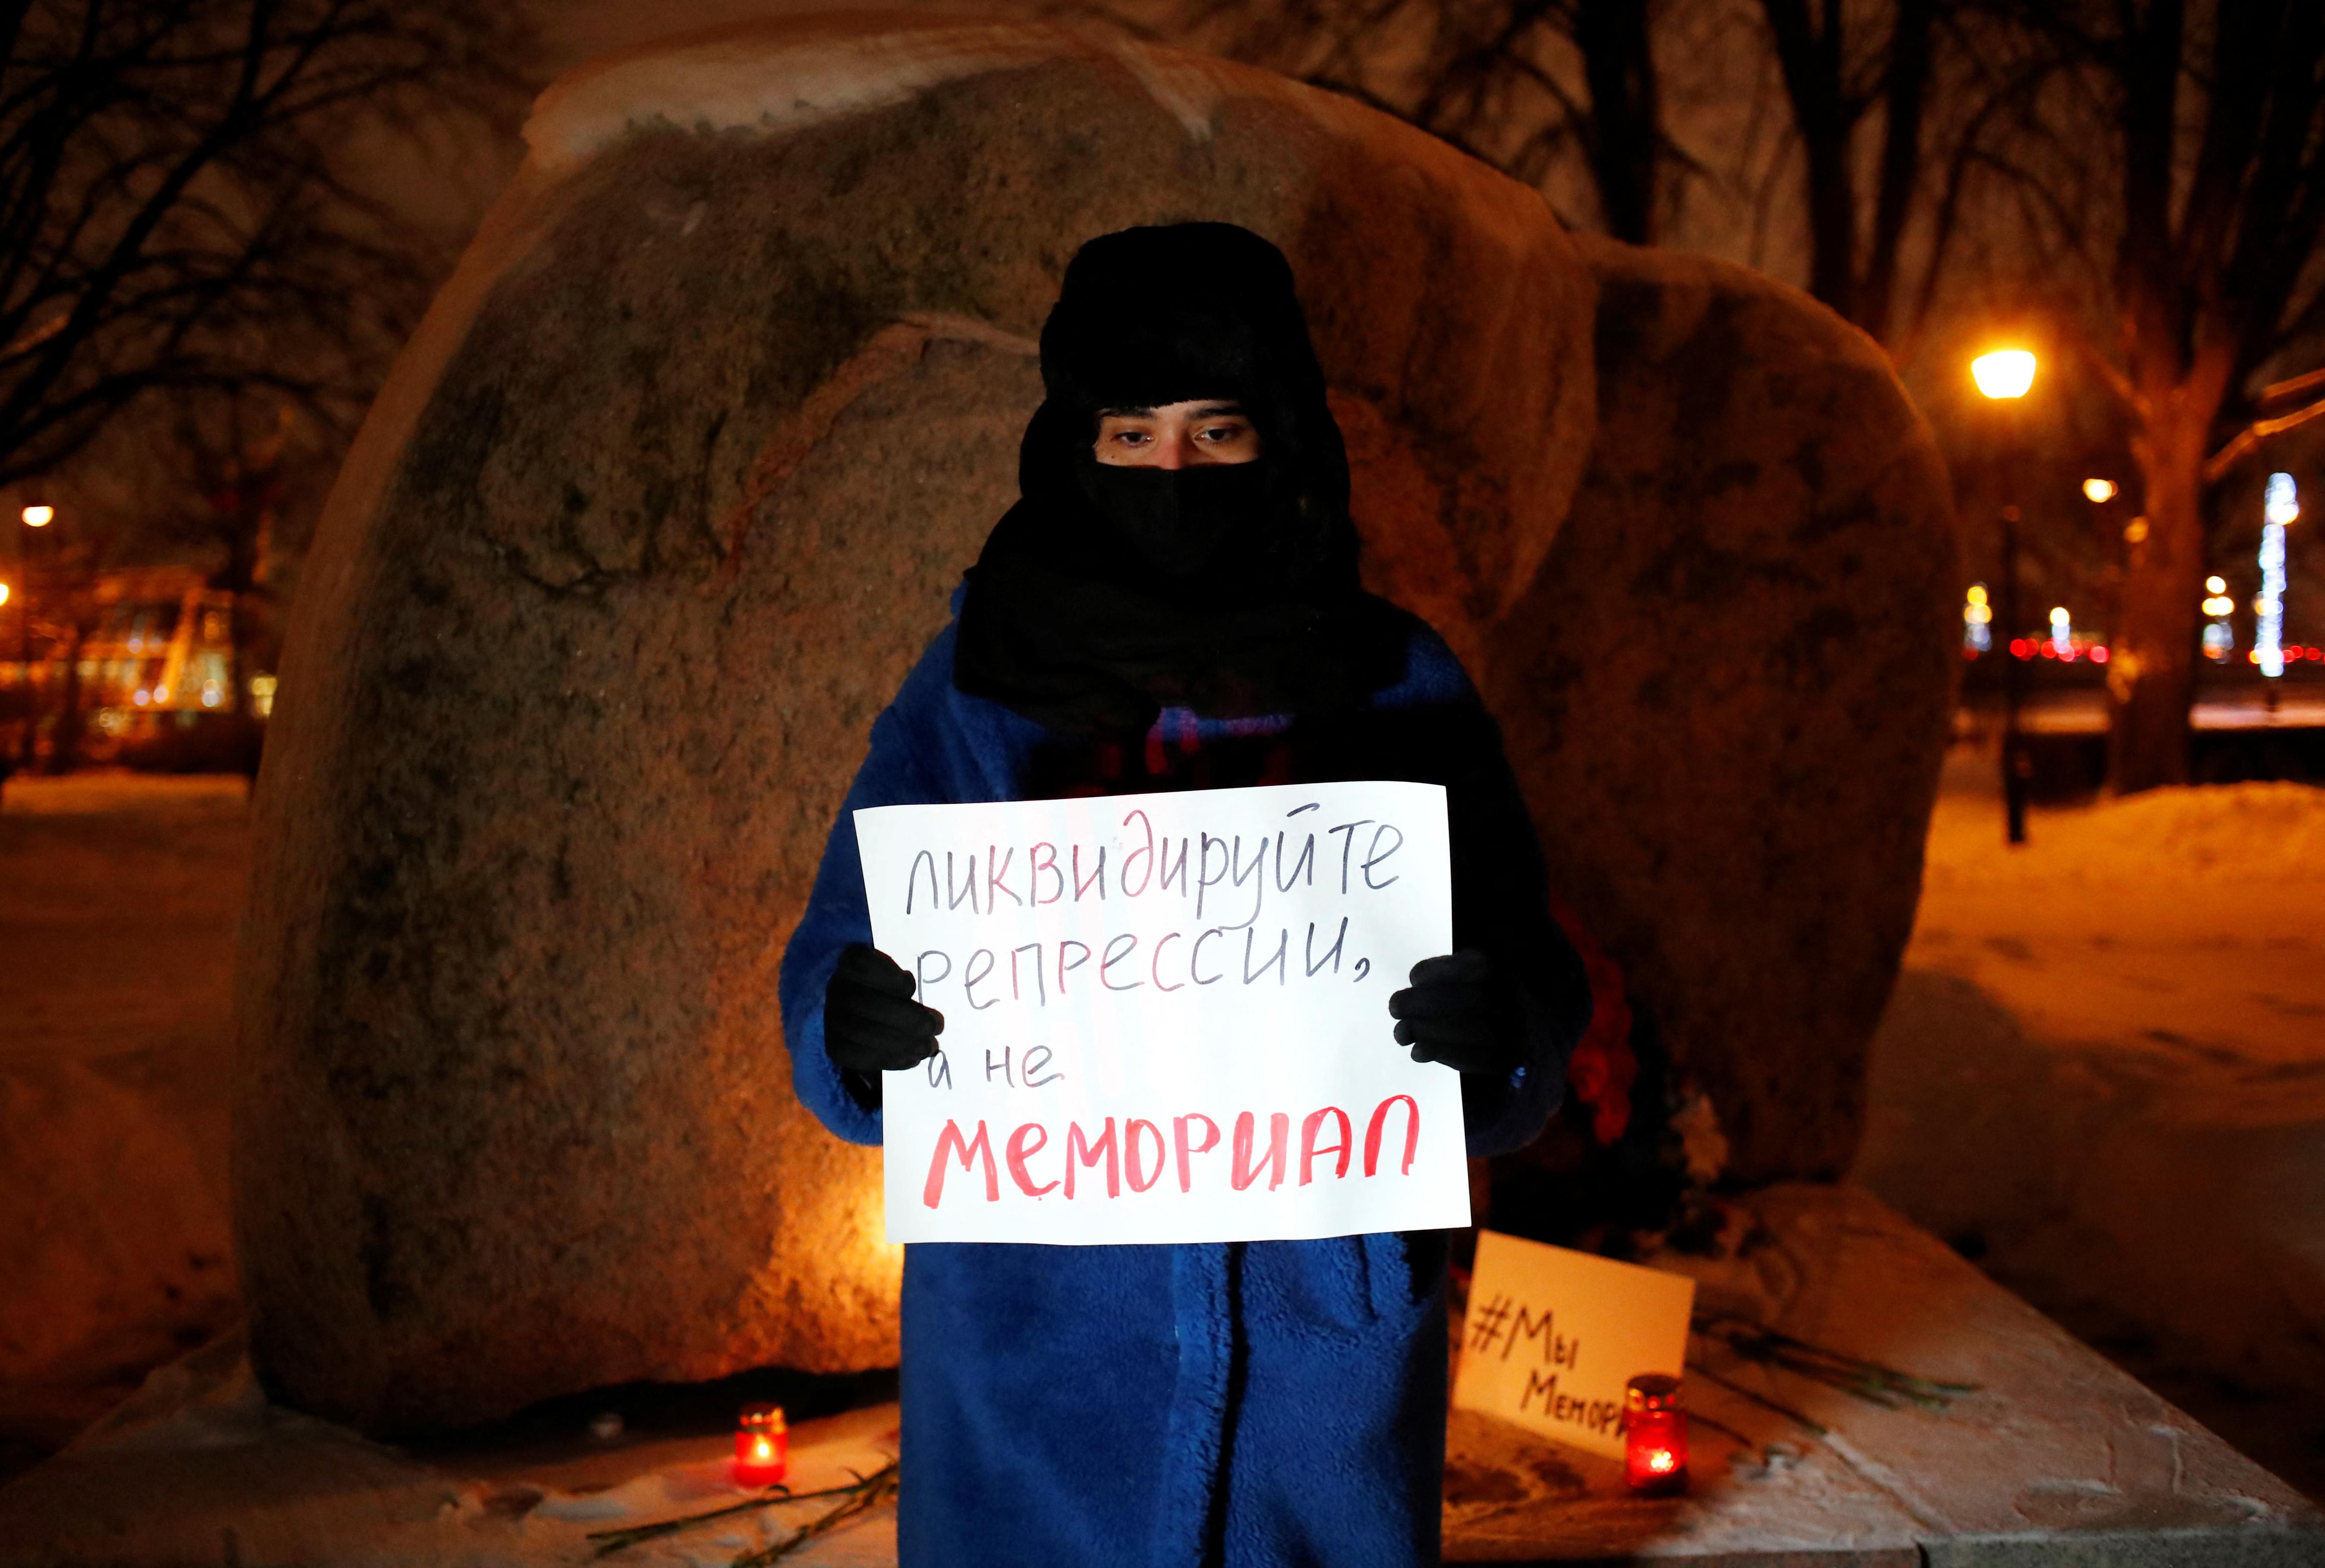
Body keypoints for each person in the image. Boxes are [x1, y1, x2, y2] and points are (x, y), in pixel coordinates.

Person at [779, 222, 1589, 1567]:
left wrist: (1499, 1025)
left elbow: (1529, 961)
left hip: (1317, 1354)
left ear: (1284, 440)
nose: (1174, 473)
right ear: (1072, 444)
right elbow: (839, 938)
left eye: (1218, 435)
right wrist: (850, 1028)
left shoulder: (1395, 677)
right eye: (1130, 434)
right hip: (1032, 1354)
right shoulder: (979, 680)